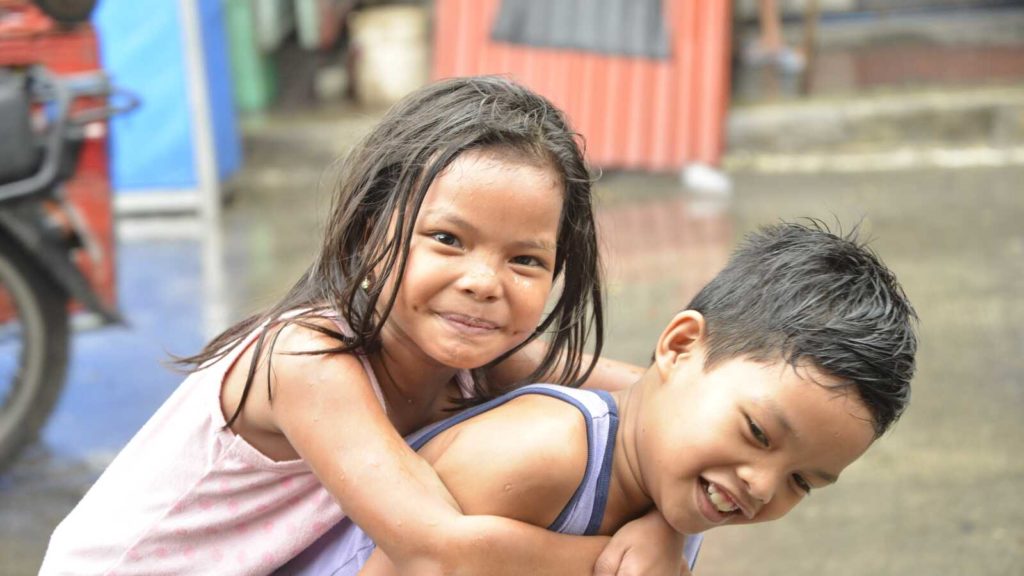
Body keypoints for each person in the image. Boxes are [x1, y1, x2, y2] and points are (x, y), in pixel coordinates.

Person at [40, 76, 682, 576]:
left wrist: (664, 525)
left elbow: (670, 409)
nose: (485, 281)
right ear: (371, 232)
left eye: (525, 260)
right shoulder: (306, 359)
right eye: (447, 239)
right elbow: (438, 555)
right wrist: (622, 560)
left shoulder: (480, 354)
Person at [275, 220, 918, 576]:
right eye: (756, 433)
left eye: (802, 482)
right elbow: (422, 563)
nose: (759, 486)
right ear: (679, 346)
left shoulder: (681, 482)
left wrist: (667, 527)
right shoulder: (541, 454)